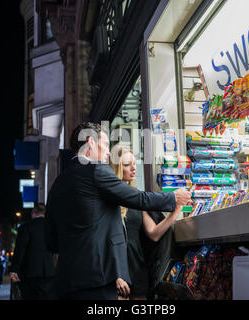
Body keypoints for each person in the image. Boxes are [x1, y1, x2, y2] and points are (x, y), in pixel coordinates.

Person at [45, 122, 192, 300]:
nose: (108, 152)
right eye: (106, 145)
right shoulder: (96, 170)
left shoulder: (58, 184)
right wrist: (174, 198)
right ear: (91, 142)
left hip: (65, 282)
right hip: (97, 280)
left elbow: (51, 242)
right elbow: (139, 198)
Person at [110, 146, 183, 299]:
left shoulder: (136, 196)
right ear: (117, 167)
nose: (133, 168)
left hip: (138, 266)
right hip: (117, 267)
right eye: (127, 164)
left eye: (134, 163)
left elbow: (153, 234)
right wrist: (116, 274)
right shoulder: (109, 199)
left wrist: (174, 213)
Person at [10, 203, 55, 300]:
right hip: (48, 271)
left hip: (30, 272)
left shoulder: (25, 227)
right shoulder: (51, 228)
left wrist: (14, 269)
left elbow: (20, 250)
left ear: (33, 213)